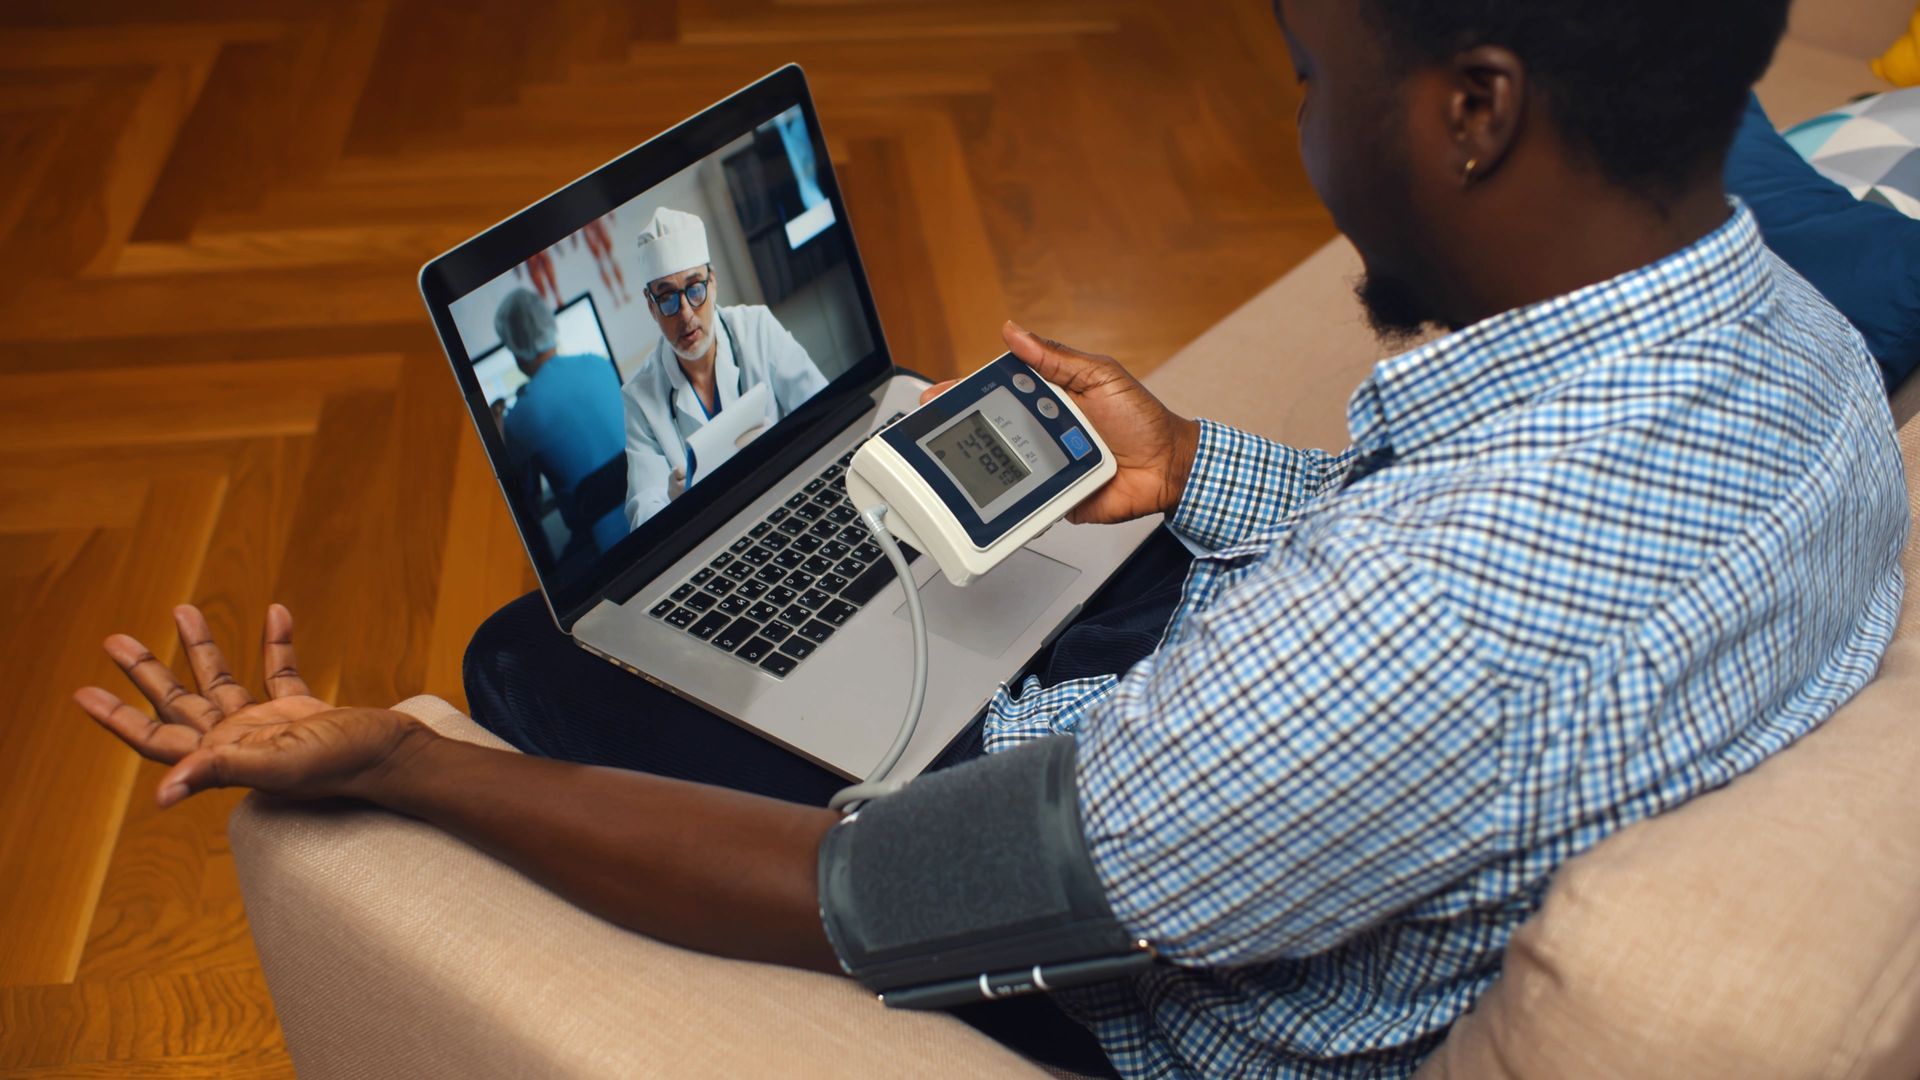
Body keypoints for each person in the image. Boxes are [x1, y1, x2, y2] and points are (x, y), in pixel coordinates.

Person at [73, 0, 1908, 1076]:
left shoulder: (1429, 625)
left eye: (1305, 70)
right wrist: (1200, 468)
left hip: (1140, 965)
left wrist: (408, 768)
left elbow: (854, 900)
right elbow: (1435, 620)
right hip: (1292, 795)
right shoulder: (1801, 358)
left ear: (1477, 108)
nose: (1301, 120)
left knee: (522, 668)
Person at [619, 206, 828, 527]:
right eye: (668, 298)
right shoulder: (639, 396)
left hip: (790, 500)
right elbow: (642, 517)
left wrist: (780, 440)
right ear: (651, 306)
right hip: (713, 533)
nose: (686, 313)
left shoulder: (756, 328)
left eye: (695, 289)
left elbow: (827, 414)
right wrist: (674, 502)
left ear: (712, 282)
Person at [490, 288, 629, 554]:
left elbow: (523, 499)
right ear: (550, 325)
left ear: (515, 349)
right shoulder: (599, 364)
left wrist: (498, 433)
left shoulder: (519, 418)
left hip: (603, 552)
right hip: (653, 510)